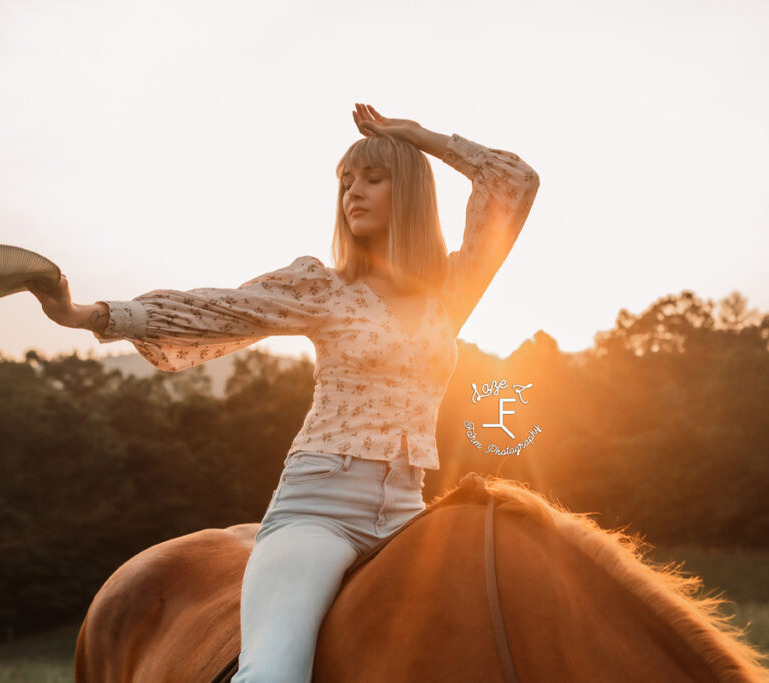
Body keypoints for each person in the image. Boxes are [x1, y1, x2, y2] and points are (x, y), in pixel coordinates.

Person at [26, 103, 540, 683]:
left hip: (409, 510)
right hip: (318, 509)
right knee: (274, 675)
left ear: (414, 195)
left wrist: (418, 138)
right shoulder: (323, 287)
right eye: (346, 181)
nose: (354, 193)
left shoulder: (451, 289)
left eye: (374, 178)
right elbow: (215, 308)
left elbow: (512, 183)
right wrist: (88, 314)